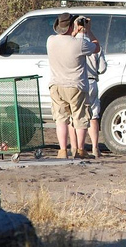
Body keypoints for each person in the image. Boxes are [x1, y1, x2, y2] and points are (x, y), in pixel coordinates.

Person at [46, 12, 100, 159]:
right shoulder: (79, 43)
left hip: (56, 85)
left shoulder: (50, 41)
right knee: (80, 118)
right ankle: (80, 150)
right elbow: (96, 47)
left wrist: (73, 32)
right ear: (72, 26)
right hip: (76, 85)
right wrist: (88, 31)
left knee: (61, 119)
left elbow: (65, 41)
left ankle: (63, 150)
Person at [68, 38, 106, 157]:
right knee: (93, 115)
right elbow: (102, 68)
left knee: (73, 116)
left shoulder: (71, 44)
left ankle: (75, 148)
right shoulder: (94, 45)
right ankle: (95, 147)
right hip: (91, 81)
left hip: (76, 82)